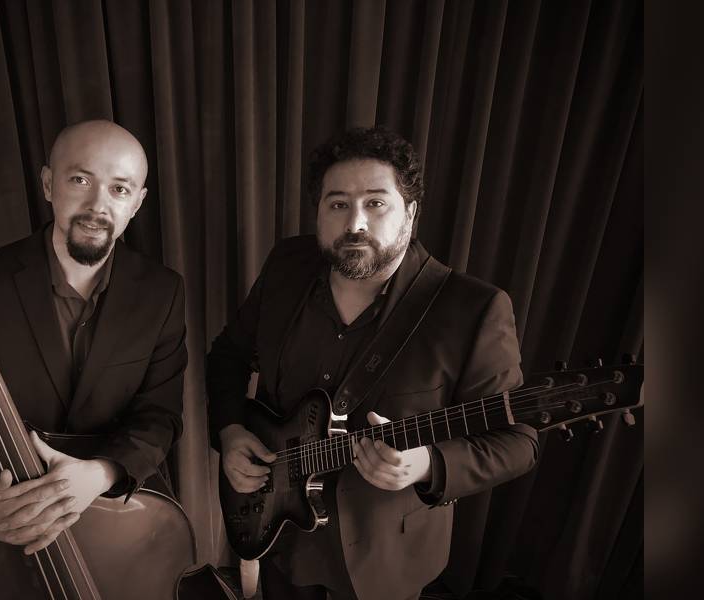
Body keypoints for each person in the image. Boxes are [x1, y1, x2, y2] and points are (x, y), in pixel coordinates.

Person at [206, 127, 539, 600]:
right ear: (319, 211)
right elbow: (229, 355)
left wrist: (428, 465)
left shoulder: (473, 308)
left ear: (411, 213)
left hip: (384, 559)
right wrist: (230, 431)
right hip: (279, 535)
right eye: (338, 204)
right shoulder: (287, 265)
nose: (355, 223)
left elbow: (519, 442)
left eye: (376, 203)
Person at [0, 119, 187, 556]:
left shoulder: (163, 291)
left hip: (117, 503)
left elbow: (160, 414)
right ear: (49, 184)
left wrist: (102, 473)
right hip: (13, 501)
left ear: (137, 203)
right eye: (80, 180)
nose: (97, 205)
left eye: (119, 189)